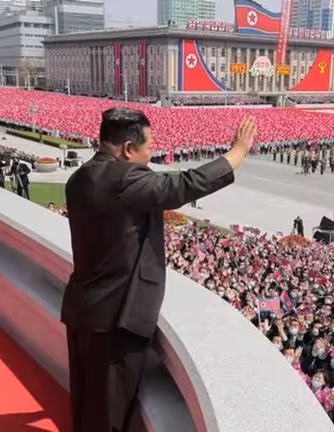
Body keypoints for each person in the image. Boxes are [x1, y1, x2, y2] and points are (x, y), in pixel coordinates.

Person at [61, 108, 256, 432]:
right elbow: (183, 185)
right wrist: (236, 153)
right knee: (108, 416)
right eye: (149, 146)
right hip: (115, 321)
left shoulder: (79, 177)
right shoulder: (125, 180)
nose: (151, 154)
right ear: (128, 149)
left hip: (84, 310)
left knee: (85, 405)